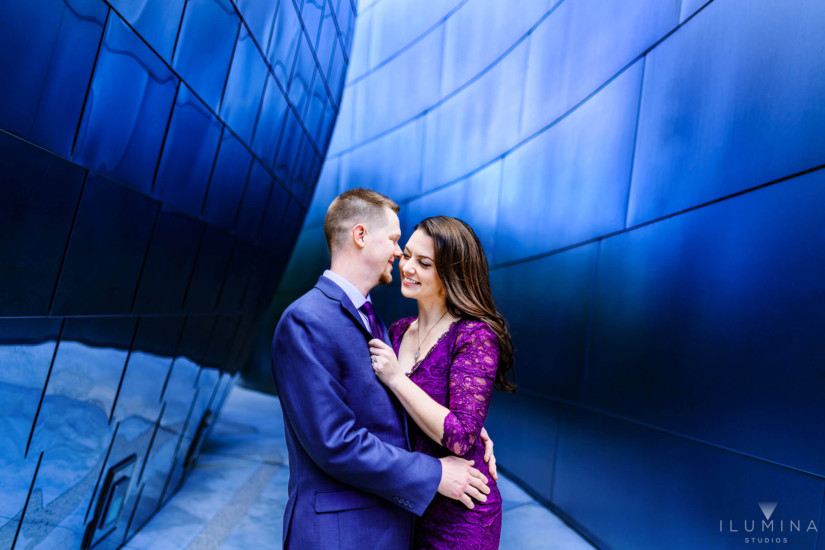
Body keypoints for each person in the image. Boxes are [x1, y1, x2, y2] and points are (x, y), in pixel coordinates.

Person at [270, 190, 492, 550]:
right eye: (393, 239)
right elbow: (335, 442)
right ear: (360, 236)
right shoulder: (306, 320)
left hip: (388, 526)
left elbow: (393, 412)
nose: (399, 253)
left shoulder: (378, 324)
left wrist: (470, 433)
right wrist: (435, 472)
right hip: (340, 534)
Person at [369, 216, 516, 550]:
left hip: (460, 514)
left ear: (452, 273)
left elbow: (462, 437)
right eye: (406, 255)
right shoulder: (396, 332)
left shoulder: (474, 336)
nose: (407, 267)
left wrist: (396, 378)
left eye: (424, 263)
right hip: (407, 500)